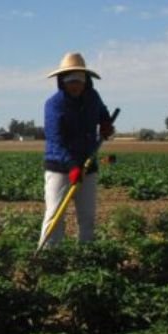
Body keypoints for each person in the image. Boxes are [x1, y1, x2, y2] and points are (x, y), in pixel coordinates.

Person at [39, 52, 115, 248]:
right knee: (55, 214)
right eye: (70, 80)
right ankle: (49, 255)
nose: (75, 85)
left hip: (88, 164)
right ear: (62, 81)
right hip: (59, 168)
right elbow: (56, 140)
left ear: (86, 80)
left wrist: (106, 124)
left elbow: (102, 113)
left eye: (79, 80)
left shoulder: (93, 97)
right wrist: (72, 166)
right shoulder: (54, 104)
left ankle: (85, 255)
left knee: (87, 215)